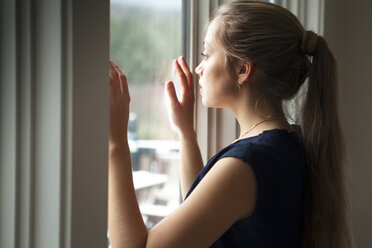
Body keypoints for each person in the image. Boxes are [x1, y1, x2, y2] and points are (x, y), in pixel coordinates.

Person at [108, 1, 352, 247]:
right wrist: (185, 133)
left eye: (206, 54)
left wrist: (116, 143)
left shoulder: (247, 163)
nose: (198, 68)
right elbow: (206, 215)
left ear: (243, 70)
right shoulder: (288, 145)